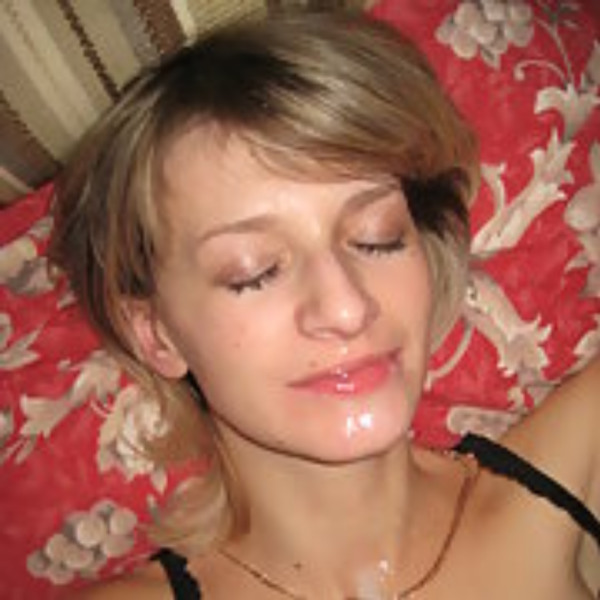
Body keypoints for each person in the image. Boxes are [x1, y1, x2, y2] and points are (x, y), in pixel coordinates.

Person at [49, 8, 599, 600]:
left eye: (377, 237)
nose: (346, 307)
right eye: (254, 272)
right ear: (157, 334)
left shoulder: (566, 486)